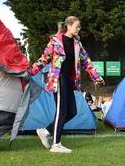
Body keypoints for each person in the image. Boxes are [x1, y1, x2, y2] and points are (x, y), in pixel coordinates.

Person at [28, 16, 104, 153]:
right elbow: (43, 59)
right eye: (77, 26)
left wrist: (97, 78)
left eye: (79, 26)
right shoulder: (55, 42)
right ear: (69, 26)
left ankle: (45, 131)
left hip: (69, 81)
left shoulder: (77, 44)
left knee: (72, 111)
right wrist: (30, 71)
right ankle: (56, 144)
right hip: (58, 79)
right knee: (61, 111)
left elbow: (87, 61)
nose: (79, 29)